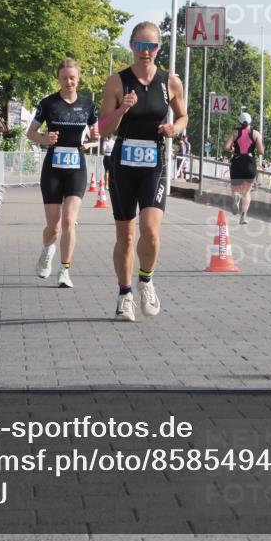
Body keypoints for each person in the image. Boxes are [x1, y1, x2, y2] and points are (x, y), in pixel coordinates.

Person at [100, 21, 188, 322]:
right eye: (139, 45)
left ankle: (146, 280)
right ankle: (125, 294)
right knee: (125, 236)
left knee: (150, 230)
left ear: (158, 49)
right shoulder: (116, 82)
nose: (145, 52)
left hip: (155, 164)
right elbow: (103, 129)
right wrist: (122, 109)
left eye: (150, 46)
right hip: (123, 162)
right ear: (131, 46)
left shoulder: (170, 83)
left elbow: (183, 115)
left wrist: (173, 128)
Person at [26, 59, 99, 288]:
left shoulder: (88, 105)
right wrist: (44, 139)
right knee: (54, 226)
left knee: (69, 220)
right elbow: (31, 133)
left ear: (78, 79)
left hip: (76, 165)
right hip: (53, 168)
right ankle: (47, 251)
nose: (69, 81)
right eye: (64, 78)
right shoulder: (48, 103)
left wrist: (95, 138)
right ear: (59, 79)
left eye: (72, 78)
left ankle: (64, 270)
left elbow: (96, 134)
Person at [224, 113, 265, 224]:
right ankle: (243, 217)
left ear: (239, 121)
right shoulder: (256, 134)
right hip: (250, 164)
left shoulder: (235, 132)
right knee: (246, 192)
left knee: (235, 189)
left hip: (237, 162)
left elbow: (226, 147)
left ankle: (236, 198)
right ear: (250, 121)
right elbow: (261, 151)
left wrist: (232, 149)